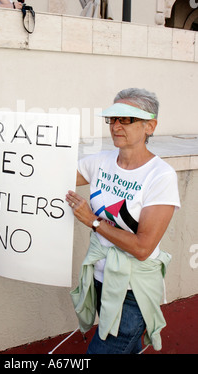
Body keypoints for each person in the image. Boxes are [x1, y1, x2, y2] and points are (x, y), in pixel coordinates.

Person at [66, 88, 180, 354]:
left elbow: (143, 248)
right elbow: (50, 176)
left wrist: (93, 222)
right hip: (100, 277)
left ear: (149, 126)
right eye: (113, 119)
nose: (116, 125)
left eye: (126, 119)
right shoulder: (101, 162)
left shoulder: (160, 176)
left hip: (133, 290)